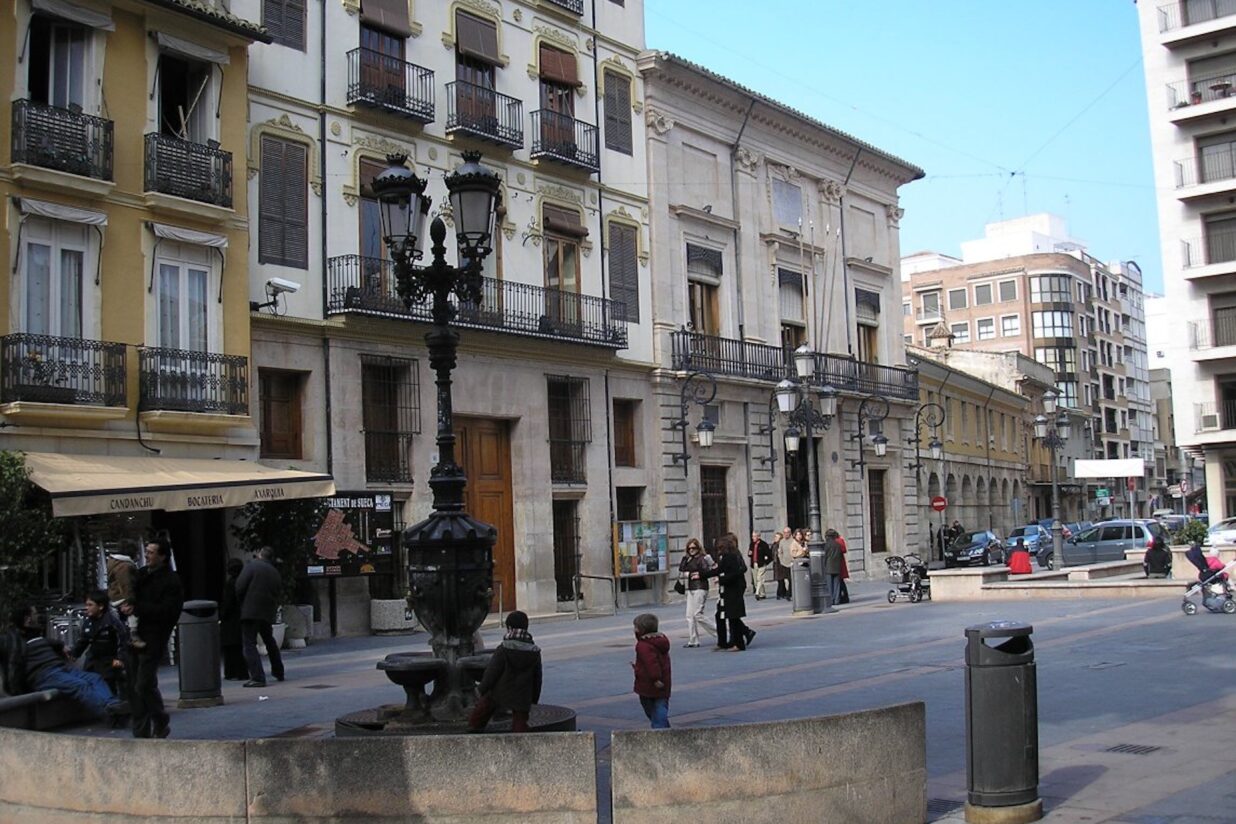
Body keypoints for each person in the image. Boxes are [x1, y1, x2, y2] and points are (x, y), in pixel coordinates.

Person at [1, 605, 128, 718]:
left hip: (61, 669)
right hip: (44, 675)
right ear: (27, 619)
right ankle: (109, 712)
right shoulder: (12, 641)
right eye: (35, 614)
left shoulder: (36, 636)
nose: (38, 616)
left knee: (95, 678)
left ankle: (113, 704)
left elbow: (49, 642)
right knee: (80, 685)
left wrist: (61, 645)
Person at [122, 537, 183, 739]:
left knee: (143, 683)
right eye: (146, 551)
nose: (147, 555)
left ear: (162, 556)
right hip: (135, 635)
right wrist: (127, 607)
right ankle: (141, 731)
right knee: (135, 685)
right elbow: (129, 595)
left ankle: (159, 718)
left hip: (154, 637)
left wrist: (137, 608)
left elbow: (168, 611)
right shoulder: (141, 574)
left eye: (151, 552)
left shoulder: (171, 581)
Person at [468, 610, 542, 733]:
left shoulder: (503, 649)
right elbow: (537, 678)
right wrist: (534, 698)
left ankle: (473, 728)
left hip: (500, 692)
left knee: (483, 709)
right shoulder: (534, 652)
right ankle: (520, 738)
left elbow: (492, 672)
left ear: (509, 628)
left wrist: (481, 689)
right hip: (523, 695)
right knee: (520, 721)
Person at [235, 546, 286, 688]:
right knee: (269, 640)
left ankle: (257, 677)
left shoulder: (251, 566)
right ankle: (278, 671)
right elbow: (278, 591)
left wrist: (242, 603)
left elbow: (239, 586)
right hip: (267, 611)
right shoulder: (275, 572)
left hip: (250, 611)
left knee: (249, 643)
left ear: (259, 554)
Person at [703, 532, 754, 651]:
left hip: (733, 590)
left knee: (732, 616)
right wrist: (703, 575)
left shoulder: (733, 556)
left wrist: (721, 578)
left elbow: (737, 572)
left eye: (719, 548)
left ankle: (738, 642)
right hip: (726, 590)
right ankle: (727, 641)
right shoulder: (726, 557)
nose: (718, 550)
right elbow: (719, 569)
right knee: (723, 615)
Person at [70, 590, 129, 692]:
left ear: (100, 606)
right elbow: (84, 640)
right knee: (90, 685)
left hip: (109, 661)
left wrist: (119, 658)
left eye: (90, 605)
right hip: (92, 660)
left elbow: (122, 640)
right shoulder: (88, 622)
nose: (87, 608)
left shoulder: (112, 622)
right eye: (86, 605)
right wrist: (74, 654)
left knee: (107, 687)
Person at [631, 612, 671, 729]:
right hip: (664, 683)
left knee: (653, 709)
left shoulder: (643, 645)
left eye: (635, 627)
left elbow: (651, 663)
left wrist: (655, 678)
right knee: (661, 706)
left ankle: (660, 730)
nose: (634, 630)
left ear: (641, 630)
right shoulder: (661, 641)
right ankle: (663, 728)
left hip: (648, 684)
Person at [678, 538, 716, 648]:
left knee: (698, 614)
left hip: (700, 587)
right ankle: (693, 640)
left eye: (693, 548)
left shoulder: (702, 558)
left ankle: (719, 632)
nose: (691, 550)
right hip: (691, 588)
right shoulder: (688, 559)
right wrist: (685, 559)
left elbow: (705, 571)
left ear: (698, 548)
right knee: (689, 615)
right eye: (689, 548)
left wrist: (693, 574)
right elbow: (681, 569)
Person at [106, 545, 141, 650]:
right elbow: (126, 584)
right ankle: (134, 636)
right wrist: (130, 600)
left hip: (116, 595)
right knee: (133, 615)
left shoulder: (115, 563)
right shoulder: (124, 566)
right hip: (122, 597)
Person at [219, 558, 247, 681]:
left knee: (230, 647)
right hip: (241, 616)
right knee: (238, 646)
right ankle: (240, 671)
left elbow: (228, 602)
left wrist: (222, 614)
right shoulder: (243, 581)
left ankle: (231, 671)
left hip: (230, 619)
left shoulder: (231, 583)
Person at [821, 530, 843, 610]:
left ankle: (830, 600)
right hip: (837, 566)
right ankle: (836, 600)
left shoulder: (826, 545)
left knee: (829, 585)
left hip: (828, 567)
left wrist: (823, 565)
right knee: (836, 585)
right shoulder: (838, 545)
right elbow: (841, 556)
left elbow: (825, 556)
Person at [748, 530, 773, 601]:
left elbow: (769, 555)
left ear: (758, 537)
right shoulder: (752, 544)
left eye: (754, 536)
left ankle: (757, 593)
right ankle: (762, 593)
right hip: (754, 564)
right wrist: (749, 554)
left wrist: (766, 562)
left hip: (761, 564)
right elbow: (750, 553)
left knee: (759, 578)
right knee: (756, 580)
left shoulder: (763, 544)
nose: (753, 538)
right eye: (752, 536)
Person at [773, 527, 795, 601]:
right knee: (786, 580)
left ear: (790, 533)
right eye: (784, 532)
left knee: (791, 580)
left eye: (787, 532)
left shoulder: (793, 541)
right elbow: (780, 552)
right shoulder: (782, 542)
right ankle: (787, 593)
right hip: (784, 563)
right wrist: (781, 560)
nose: (786, 534)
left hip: (792, 563)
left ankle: (790, 594)